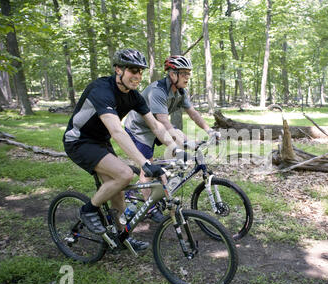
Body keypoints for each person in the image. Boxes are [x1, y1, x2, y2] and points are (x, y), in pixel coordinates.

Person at [63, 49, 181, 252]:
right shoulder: (101, 90)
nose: (137, 76)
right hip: (79, 141)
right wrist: (144, 163)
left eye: (140, 72)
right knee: (125, 174)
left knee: (117, 188)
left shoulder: (134, 96)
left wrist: (175, 148)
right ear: (118, 69)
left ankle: (121, 236)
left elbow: (155, 126)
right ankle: (88, 210)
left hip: (100, 142)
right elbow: (117, 131)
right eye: (132, 70)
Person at [123, 55, 220, 222]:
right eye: (183, 74)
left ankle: (164, 185)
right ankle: (150, 208)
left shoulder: (181, 91)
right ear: (172, 74)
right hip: (139, 128)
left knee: (181, 144)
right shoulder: (158, 91)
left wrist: (209, 130)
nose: (187, 77)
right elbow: (163, 122)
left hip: (157, 126)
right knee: (148, 167)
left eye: (189, 74)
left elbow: (193, 113)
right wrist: (182, 143)